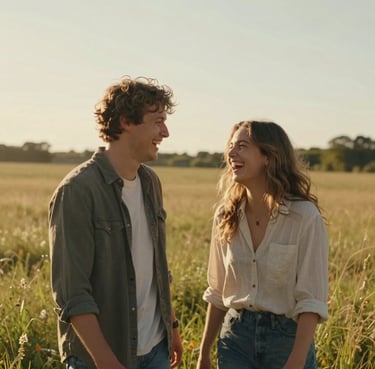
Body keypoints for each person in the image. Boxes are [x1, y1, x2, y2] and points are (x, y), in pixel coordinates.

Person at [48, 76, 183, 369]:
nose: (166, 132)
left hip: (156, 349)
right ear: (125, 121)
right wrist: (108, 363)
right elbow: (72, 293)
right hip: (100, 358)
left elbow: (157, 266)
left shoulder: (150, 183)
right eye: (158, 121)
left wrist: (171, 326)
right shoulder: (77, 191)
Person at [196, 121, 328, 369]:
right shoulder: (226, 215)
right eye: (231, 146)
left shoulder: (304, 216)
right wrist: (203, 354)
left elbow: (312, 298)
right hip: (235, 339)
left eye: (242, 146)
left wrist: (296, 361)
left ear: (269, 156)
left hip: (287, 341)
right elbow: (217, 291)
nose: (231, 154)